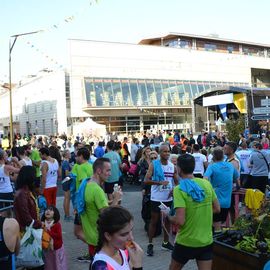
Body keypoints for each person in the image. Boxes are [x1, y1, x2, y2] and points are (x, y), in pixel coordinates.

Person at [168, 154, 220, 270]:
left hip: (186, 241)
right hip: (206, 241)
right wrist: (201, 209)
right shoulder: (206, 184)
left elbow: (180, 221)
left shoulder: (179, 189)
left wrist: (168, 216)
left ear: (179, 168)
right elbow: (217, 208)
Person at [80, 158, 122, 263]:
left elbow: (95, 205)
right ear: (99, 171)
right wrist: (116, 198)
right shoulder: (97, 190)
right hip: (98, 238)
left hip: (90, 236)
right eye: (107, 170)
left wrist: (109, 201)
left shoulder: (87, 183)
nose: (110, 174)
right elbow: (106, 214)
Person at [144, 143, 178, 256]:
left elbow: (177, 182)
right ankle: (150, 244)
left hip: (167, 198)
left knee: (167, 220)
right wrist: (159, 182)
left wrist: (175, 190)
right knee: (154, 221)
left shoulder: (172, 166)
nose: (167, 153)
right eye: (164, 151)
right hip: (156, 198)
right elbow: (146, 180)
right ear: (160, 153)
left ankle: (165, 243)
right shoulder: (154, 165)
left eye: (168, 151)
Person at [91, 206, 143, 270]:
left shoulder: (125, 251)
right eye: (124, 234)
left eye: (131, 230)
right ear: (108, 236)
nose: (131, 238)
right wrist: (137, 265)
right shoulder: (101, 266)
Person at [204, 147, 239, 232]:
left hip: (215, 201)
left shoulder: (212, 167)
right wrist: (238, 187)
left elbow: (205, 179)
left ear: (213, 157)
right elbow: (237, 178)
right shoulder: (230, 165)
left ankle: (214, 243)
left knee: (215, 226)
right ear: (223, 157)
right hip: (227, 202)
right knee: (220, 223)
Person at [42, 205, 67, 270]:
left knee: (58, 264)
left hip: (56, 249)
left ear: (55, 213)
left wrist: (47, 231)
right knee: (49, 264)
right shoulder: (42, 224)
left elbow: (58, 236)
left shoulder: (57, 224)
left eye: (51, 210)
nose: (48, 211)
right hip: (47, 249)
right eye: (46, 210)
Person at [61, 149, 72, 221]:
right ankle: (67, 215)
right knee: (67, 199)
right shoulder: (66, 163)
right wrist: (72, 173)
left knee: (66, 199)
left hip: (65, 182)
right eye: (69, 153)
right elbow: (67, 174)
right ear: (66, 155)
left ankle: (67, 215)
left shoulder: (66, 162)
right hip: (66, 182)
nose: (70, 154)